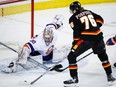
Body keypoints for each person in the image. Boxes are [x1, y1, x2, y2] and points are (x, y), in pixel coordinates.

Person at [63, 1, 116, 86]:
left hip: (86, 40)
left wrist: (74, 45)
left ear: (73, 10)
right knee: (103, 56)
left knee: (71, 56)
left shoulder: (72, 18)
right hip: (99, 37)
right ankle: (110, 77)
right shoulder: (89, 12)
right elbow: (101, 20)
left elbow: (76, 33)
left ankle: (74, 79)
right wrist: (94, 28)